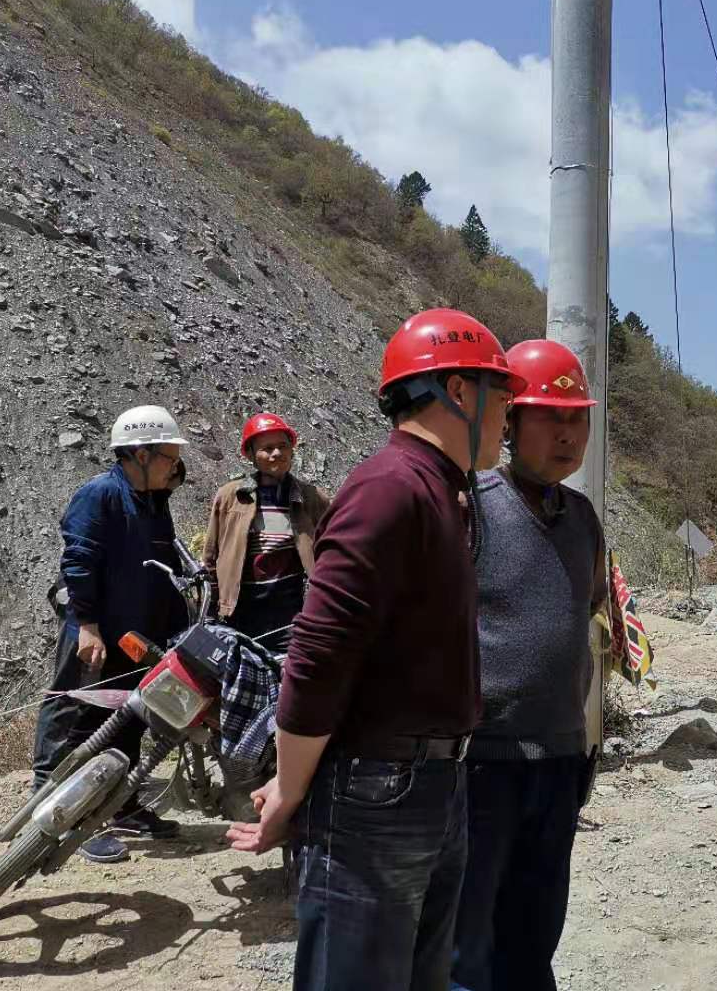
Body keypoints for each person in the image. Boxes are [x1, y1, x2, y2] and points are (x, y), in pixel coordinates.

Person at [226, 309, 525, 991]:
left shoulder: (444, 490)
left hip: (432, 784)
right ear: (458, 391)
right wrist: (291, 787)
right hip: (377, 795)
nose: (509, 413)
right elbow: (318, 656)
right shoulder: (389, 488)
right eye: (501, 393)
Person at [451, 339, 607, 991]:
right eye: (550, 417)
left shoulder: (583, 519)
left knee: (535, 933)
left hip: (561, 760)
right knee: (466, 944)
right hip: (483, 765)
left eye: (577, 419)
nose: (568, 434)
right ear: (510, 421)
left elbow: (584, 618)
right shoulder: (471, 507)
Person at [31, 405, 191, 864]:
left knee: (128, 717)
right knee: (73, 715)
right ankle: (55, 814)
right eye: (168, 457)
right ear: (140, 454)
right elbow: (78, 561)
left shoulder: (153, 502)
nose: (175, 467)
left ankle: (120, 804)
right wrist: (87, 625)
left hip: (137, 635)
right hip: (96, 630)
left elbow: (164, 568)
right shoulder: (100, 494)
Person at [202, 413, 329, 653]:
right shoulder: (230, 497)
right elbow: (210, 558)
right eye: (267, 448)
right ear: (250, 455)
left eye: (283, 446)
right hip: (238, 616)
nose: (277, 453)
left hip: (292, 619)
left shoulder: (312, 498)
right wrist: (213, 610)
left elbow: (332, 556)